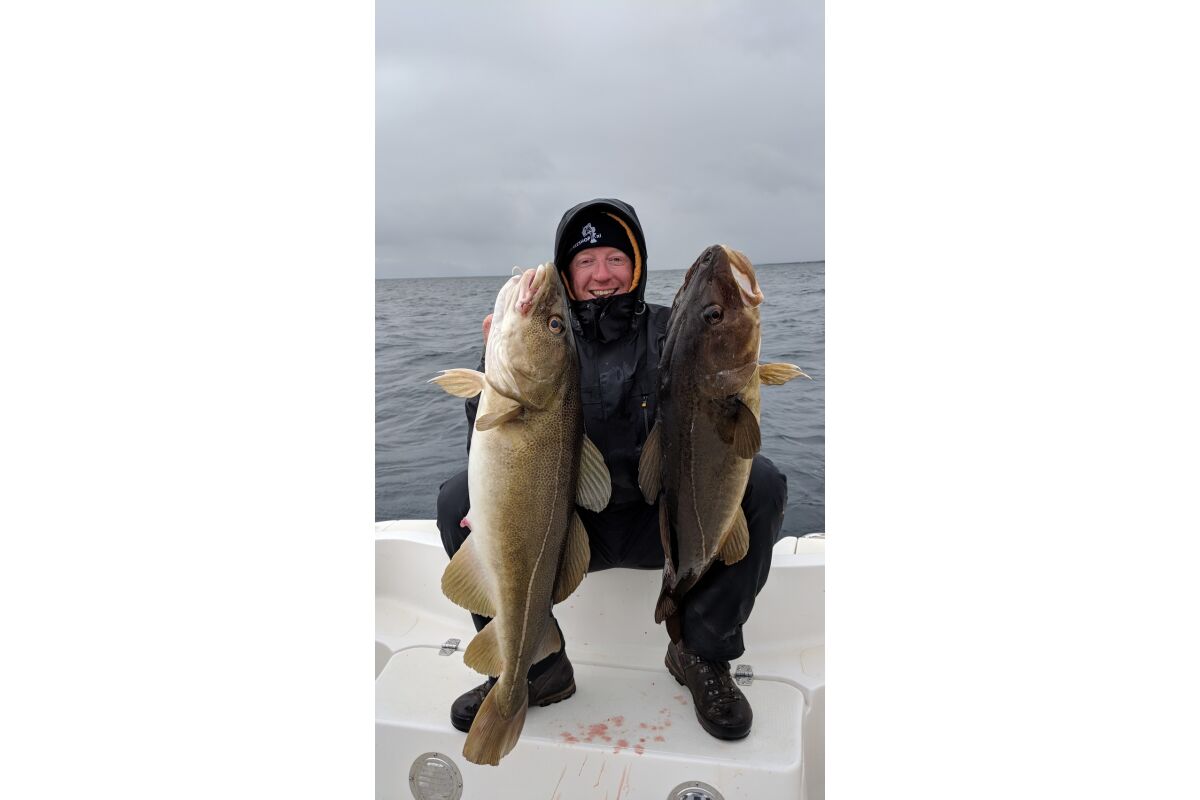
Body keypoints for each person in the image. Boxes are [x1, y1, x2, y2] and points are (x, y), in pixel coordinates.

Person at [435, 198, 788, 741]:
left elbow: (718, 401)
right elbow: (497, 451)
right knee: (458, 499)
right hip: (572, 530)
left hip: (661, 522)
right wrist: (491, 367)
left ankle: (701, 654)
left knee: (761, 482)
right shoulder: (543, 336)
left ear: (638, 265)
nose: (602, 274)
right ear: (568, 273)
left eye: (616, 258)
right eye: (585, 261)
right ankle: (536, 666)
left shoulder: (674, 331)